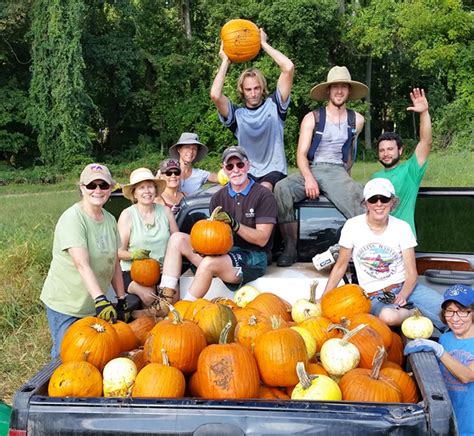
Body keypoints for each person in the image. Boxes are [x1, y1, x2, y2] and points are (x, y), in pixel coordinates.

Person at [141, 146, 277, 316]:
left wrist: (235, 225)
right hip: (222, 254)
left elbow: (263, 239)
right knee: (177, 238)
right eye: (230, 166)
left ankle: (184, 312)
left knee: (208, 263)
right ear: (224, 169)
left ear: (247, 166)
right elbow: (215, 239)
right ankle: (164, 302)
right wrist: (201, 248)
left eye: (239, 165)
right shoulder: (218, 197)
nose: (235, 170)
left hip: (252, 257)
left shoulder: (263, 195)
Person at [322, 178, 445, 331]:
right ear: (366, 203)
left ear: (392, 202)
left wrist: (403, 295)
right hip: (373, 296)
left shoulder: (402, 227)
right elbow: (340, 267)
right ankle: (414, 313)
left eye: (384, 199)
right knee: (388, 316)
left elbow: (412, 273)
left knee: (448, 311)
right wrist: (324, 299)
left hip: (405, 287)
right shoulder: (352, 226)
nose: (379, 204)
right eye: (373, 199)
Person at [274, 65, 367, 266]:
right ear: (328, 90)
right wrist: (308, 178)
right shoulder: (312, 118)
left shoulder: (357, 120)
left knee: (360, 203)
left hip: (337, 171)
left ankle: (356, 251)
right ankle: (290, 247)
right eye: (335, 87)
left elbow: (349, 152)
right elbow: (300, 155)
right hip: (314, 167)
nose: (339, 91)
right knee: (282, 188)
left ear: (349, 91)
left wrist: (347, 180)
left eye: (344, 87)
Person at [40, 163, 130, 358]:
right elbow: (82, 263)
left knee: (91, 355)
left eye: (103, 186)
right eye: (91, 185)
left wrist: (121, 299)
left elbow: (114, 262)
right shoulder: (73, 219)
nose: (97, 190)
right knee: (67, 356)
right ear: (82, 187)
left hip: (92, 304)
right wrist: (101, 299)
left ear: (110, 188)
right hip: (67, 304)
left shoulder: (109, 220)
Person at [210, 29, 294, 191]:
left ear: (262, 88)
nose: (253, 93)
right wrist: (226, 61)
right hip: (247, 172)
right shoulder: (237, 116)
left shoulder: (275, 105)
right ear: (242, 91)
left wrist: (263, 44)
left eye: (257, 88)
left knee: (263, 189)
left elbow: (288, 67)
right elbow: (215, 94)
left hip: (275, 172)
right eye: (249, 90)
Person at [404, 284, 474, 436]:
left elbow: (467, 375)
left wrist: (439, 351)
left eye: (462, 312)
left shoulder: (440, 345)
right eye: (449, 311)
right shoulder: (445, 338)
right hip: (445, 420)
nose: (455, 318)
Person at [371, 88, 432, 237]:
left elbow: (426, 142)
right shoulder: (375, 178)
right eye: (382, 150)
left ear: (400, 150)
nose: (386, 154)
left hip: (403, 241)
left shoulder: (411, 171)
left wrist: (424, 113)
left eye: (390, 149)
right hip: (378, 241)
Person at [117, 168, 178, 307]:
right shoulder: (127, 215)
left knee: (172, 303)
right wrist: (134, 255)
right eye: (141, 188)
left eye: (150, 186)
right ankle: (139, 320)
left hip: (164, 271)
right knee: (149, 297)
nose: (147, 191)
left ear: (155, 190)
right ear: (134, 193)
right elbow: (118, 252)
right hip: (133, 272)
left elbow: (177, 240)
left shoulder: (166, 212)